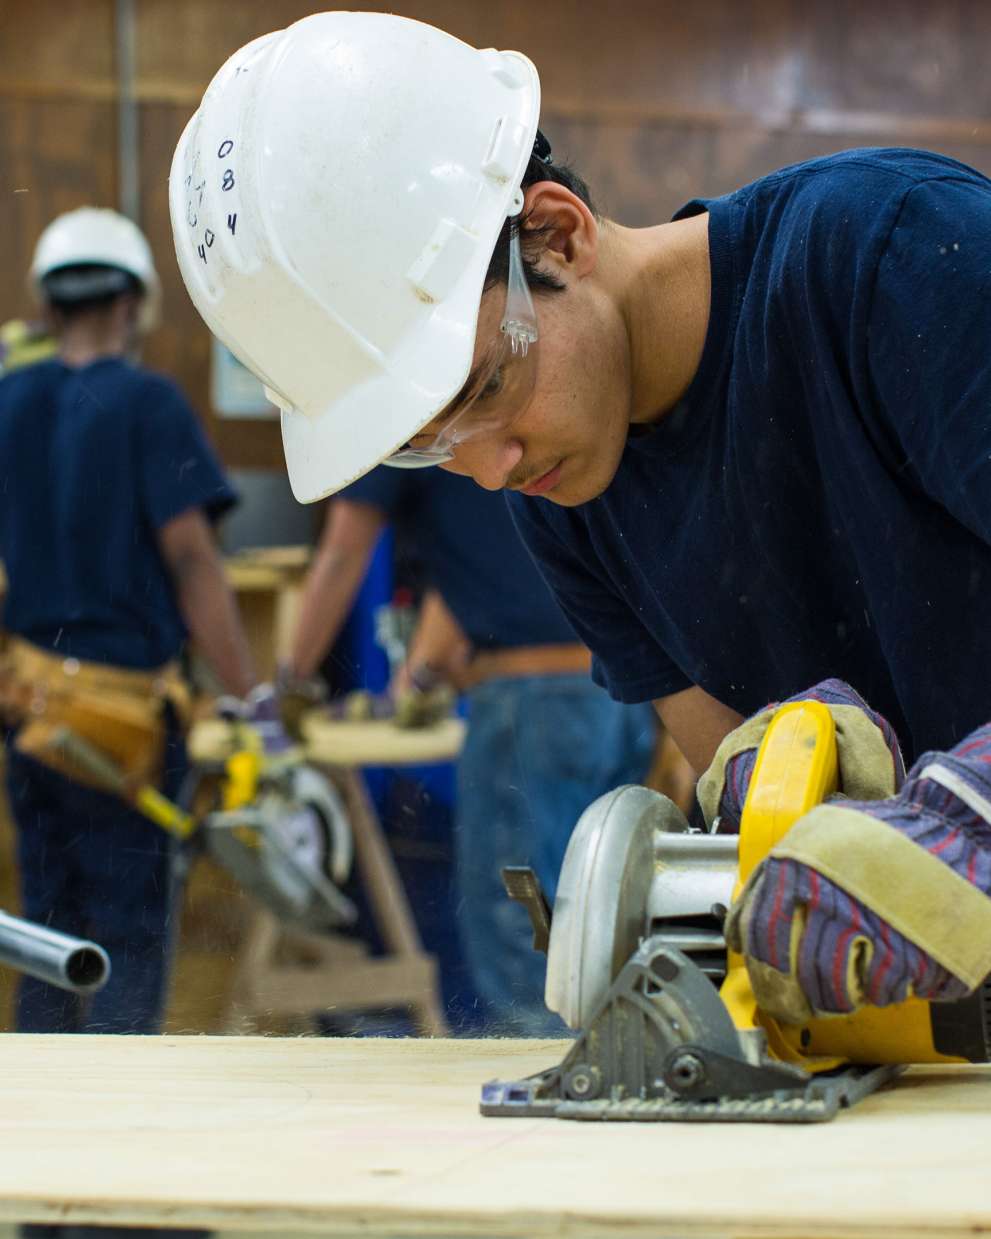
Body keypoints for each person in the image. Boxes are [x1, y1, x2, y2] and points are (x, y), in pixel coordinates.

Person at [171, 13, 991, 1025]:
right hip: (932, 1033)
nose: (487, 468)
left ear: (557, 234)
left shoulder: (892, 254)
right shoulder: (569, 496)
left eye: (486, 385)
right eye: (424, 446)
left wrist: (967, 817)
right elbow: (748, 790)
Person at [0, 207, 285, 1053]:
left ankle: (32, 1130)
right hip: (123, 733)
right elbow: (194, 562)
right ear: (132, 306)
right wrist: (253, 703)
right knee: (127, 936)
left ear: (49, 309)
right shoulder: (151, 405)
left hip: (31, 716)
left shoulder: (8, 403)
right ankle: (119, 1135)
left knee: (46, 928)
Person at [286, 466, 657, 1034]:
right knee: (598, 920)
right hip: (617, 691)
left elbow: (342, 551)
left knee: (524, 934)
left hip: (534, 704)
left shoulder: (404, 433)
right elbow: (477, 570)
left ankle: (549, 1103)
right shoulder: (486, 435)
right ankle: (610, 1083)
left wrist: (283, 689)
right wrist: (414, 683)